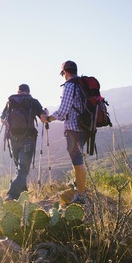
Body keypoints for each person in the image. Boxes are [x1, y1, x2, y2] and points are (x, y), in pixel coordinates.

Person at [42, 61, 88, 205]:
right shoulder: (81, 84)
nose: (63, 76)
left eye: (62, 73)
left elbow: (63, 111)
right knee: (79, 159)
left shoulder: (69, 86)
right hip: (85, 127)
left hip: (73, 129)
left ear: (65, 72)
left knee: (77, 161)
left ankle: (81, 195)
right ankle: (79, 186)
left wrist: (48, 119)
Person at [1, 84, 45, 200]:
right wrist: (45, 113)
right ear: (28, 92)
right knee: (23, 170)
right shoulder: (33, 101)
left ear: (18, 91)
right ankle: (12, 195)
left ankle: (23, 196)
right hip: (28, 140)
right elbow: (43, 118)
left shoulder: (11, 101)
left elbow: (2, 119)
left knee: (19, 169)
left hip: (13, 140)